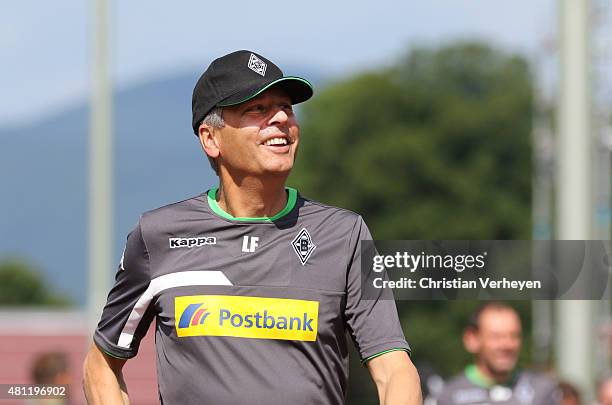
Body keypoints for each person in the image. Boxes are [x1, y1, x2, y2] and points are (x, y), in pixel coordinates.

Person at [82, 50, 421, 405]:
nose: (279, 118)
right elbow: (100, 365)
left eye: (286, 107)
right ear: (210, 139)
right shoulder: (157, 235)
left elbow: (394, 370)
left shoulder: (345, 234)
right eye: (256, 110)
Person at [435, 302, 558, 405]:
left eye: (514, 336)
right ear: (471, 340)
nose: (507, 345)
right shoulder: (449, 395)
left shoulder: (542, 390)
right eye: (496, 337)